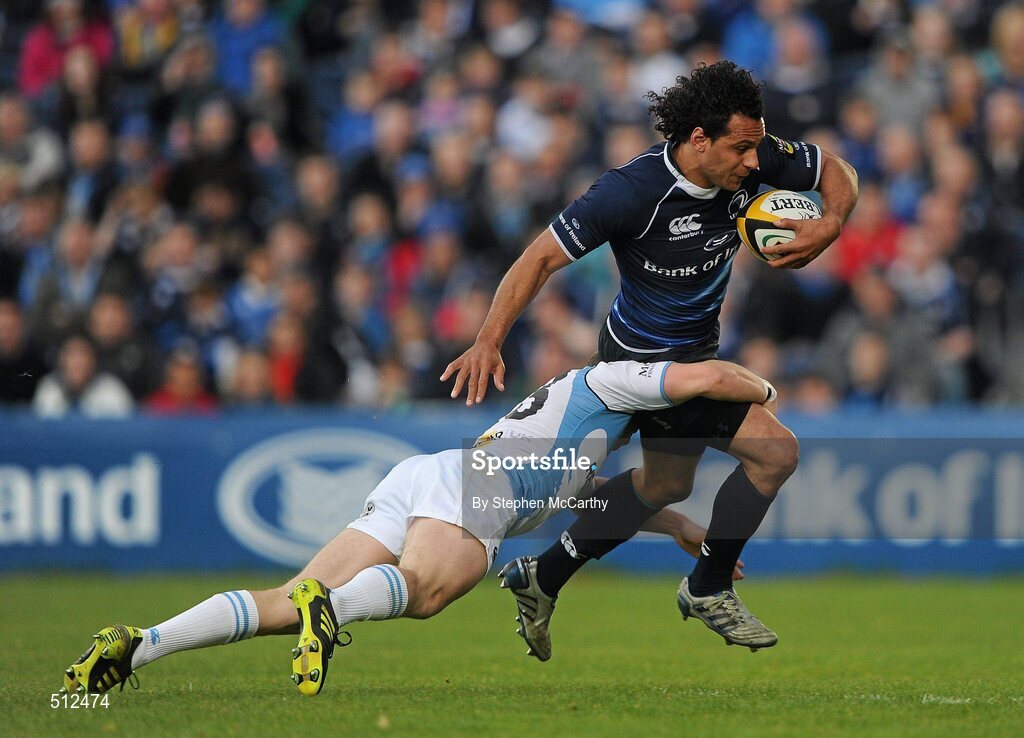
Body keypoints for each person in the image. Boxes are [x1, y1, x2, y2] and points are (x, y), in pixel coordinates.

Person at [441, 61, 858, 656]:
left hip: (690, 354)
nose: (752, 162)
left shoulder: (755, 154)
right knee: (776, 453)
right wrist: (488, 339)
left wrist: (833, 222)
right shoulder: (629, 192)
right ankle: (709, 587)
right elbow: (537, 259)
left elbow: (837, 170)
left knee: (663, 484)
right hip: (644, 368)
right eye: (740, 149)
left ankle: (544, 576)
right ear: (697, 139)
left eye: (757, 147)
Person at [60, 357, 774, 697]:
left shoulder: (583, 443)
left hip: (432, 477)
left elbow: (600, 500)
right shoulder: (609, 382)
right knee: (429, 592)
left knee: (285, 601)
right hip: (473, 491)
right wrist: (765, 390)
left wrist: (679, 524)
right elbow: (702, 378)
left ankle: (138, 645)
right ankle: (331, 608)